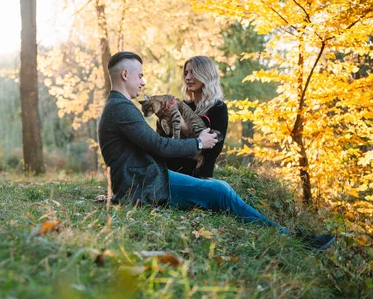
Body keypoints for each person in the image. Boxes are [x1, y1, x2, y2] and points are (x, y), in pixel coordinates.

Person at [98, 51, 335, 250]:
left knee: (221, 189)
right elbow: (159, 145)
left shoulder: (119, 107)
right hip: (142, 184)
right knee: (219, 190)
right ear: (125, 74)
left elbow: (153, 146)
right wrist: (199, 142)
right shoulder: (122, 109)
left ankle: (288, 233)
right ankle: (294, 239)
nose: (143, 82)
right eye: (139, 76)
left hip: (145, 177)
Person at [159, 56, 227, 178]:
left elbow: (212, 151)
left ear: (206, 75)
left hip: (198, 177)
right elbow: (164, 143)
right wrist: (162, 121)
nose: (187, 78)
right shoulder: (181, 105)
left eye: (193, 72)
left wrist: (183, 126)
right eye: (186, 73)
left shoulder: (218, 108)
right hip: (169, 175)